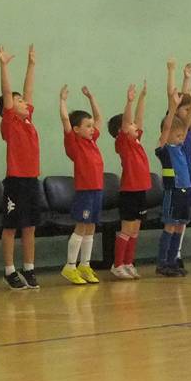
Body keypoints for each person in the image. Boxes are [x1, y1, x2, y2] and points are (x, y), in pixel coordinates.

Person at [0, 44, 40, 290]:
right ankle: (9, 270)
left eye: (22, 101)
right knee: (11, 227)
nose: (23, 102)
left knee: (30, 226)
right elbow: (6, 91)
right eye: (18, 100)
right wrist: (4, 66)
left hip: (32, 180)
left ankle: (29, 268)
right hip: (15, 181)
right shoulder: (10, 122)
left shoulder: (27, 120)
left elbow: (29, 91)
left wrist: (31, 65)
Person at [59, 85, 103, 285]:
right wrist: (63, 101)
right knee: (81, 226)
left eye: (92, 126)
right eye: (88, 126)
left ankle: (85, 265)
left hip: (97, 190)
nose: (92, 128)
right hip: (84, 191)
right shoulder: (74, 142)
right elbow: (65, 120)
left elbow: (99, 118)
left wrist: (91, 97)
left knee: (91, 227)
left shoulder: (91, 141)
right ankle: (70, 266)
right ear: (77, 129)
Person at [107, 81, 150, 279]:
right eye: (131, 125)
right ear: (121, 131)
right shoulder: (122, 142)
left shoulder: (136, 141)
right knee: (127, 229)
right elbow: (127, 122)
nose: (135, 126)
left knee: (135, 230)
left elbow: (139, 120)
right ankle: (117, 265)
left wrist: (142, 97)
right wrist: (129, 101)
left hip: (141, 190)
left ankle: (128, 263)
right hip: (129, 191)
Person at [154, 92, 191, 277]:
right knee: (170, 226)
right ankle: (162, 263)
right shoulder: (164, 149)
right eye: (177, 135)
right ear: (167, 134)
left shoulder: (179, 147)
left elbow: (186, 125)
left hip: (184, 190)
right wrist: (172, 108)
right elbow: (168, 126)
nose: (181, 138)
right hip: (173, 190)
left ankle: (172, 261)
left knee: (180, 226)